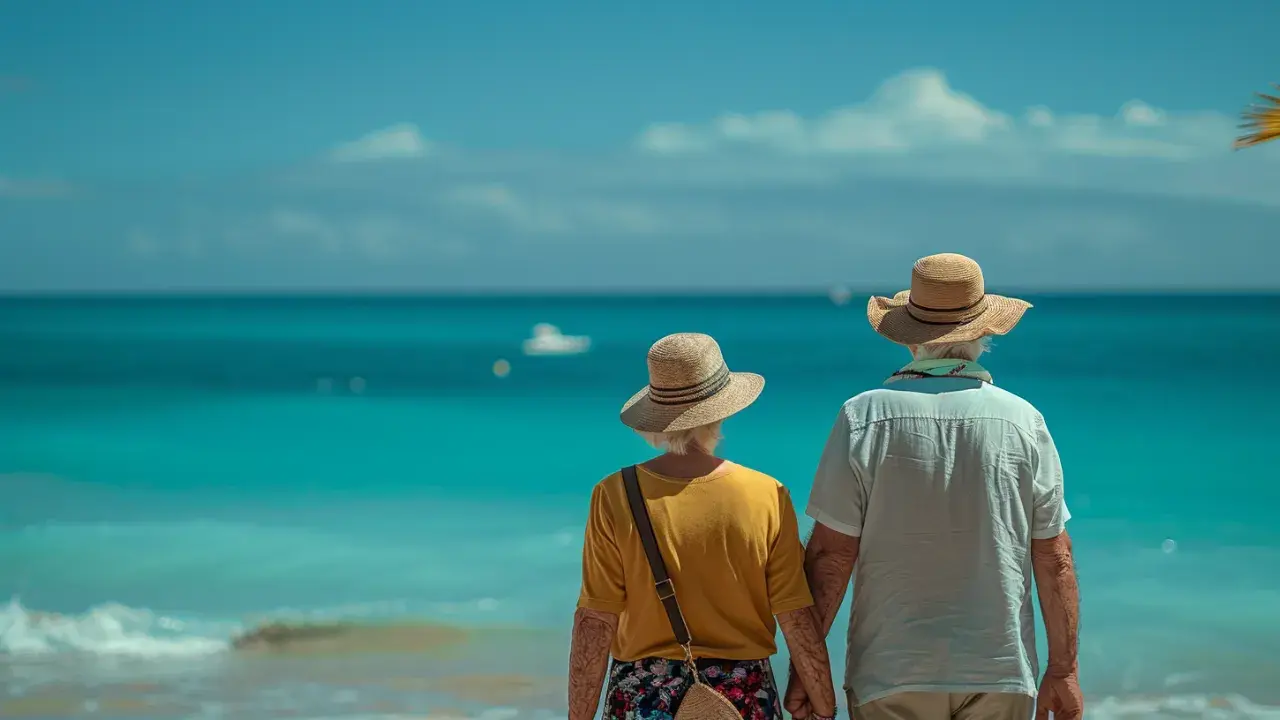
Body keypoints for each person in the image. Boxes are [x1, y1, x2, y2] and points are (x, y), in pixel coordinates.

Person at [784, 254, 1083, 720]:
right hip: (999, 670)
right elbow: (1054, 556)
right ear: (983, 335)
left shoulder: (864, 416)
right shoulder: (1024, 421)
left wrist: (806, 667)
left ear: (911, 339)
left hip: (889, 671)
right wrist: (1063, 670)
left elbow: (831, 555)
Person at [568, 332, 838, 720]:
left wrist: (578, 716)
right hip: (742, 695)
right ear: (722, 409)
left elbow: (595, 621)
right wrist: (822, 705)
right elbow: (796, 617)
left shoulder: (614, 494)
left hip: (640, 696)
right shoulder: (765, 493)